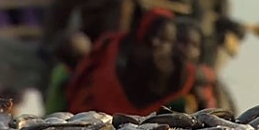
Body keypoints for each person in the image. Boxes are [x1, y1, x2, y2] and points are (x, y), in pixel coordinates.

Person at [65, 8, 197, 116]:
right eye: (152, 36)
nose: (155, 43)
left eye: (165, 40)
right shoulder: (112, 48)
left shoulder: (179, 74)